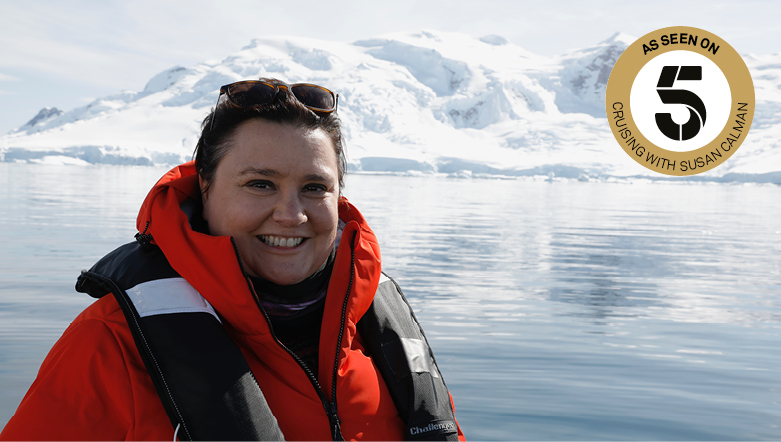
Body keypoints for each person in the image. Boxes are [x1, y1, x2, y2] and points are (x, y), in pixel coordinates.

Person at [0, 78, 464, 441]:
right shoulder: (112, 344)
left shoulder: (375, 325)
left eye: (314, 187)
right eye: (260, 184)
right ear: (205, 186)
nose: (292, 214)